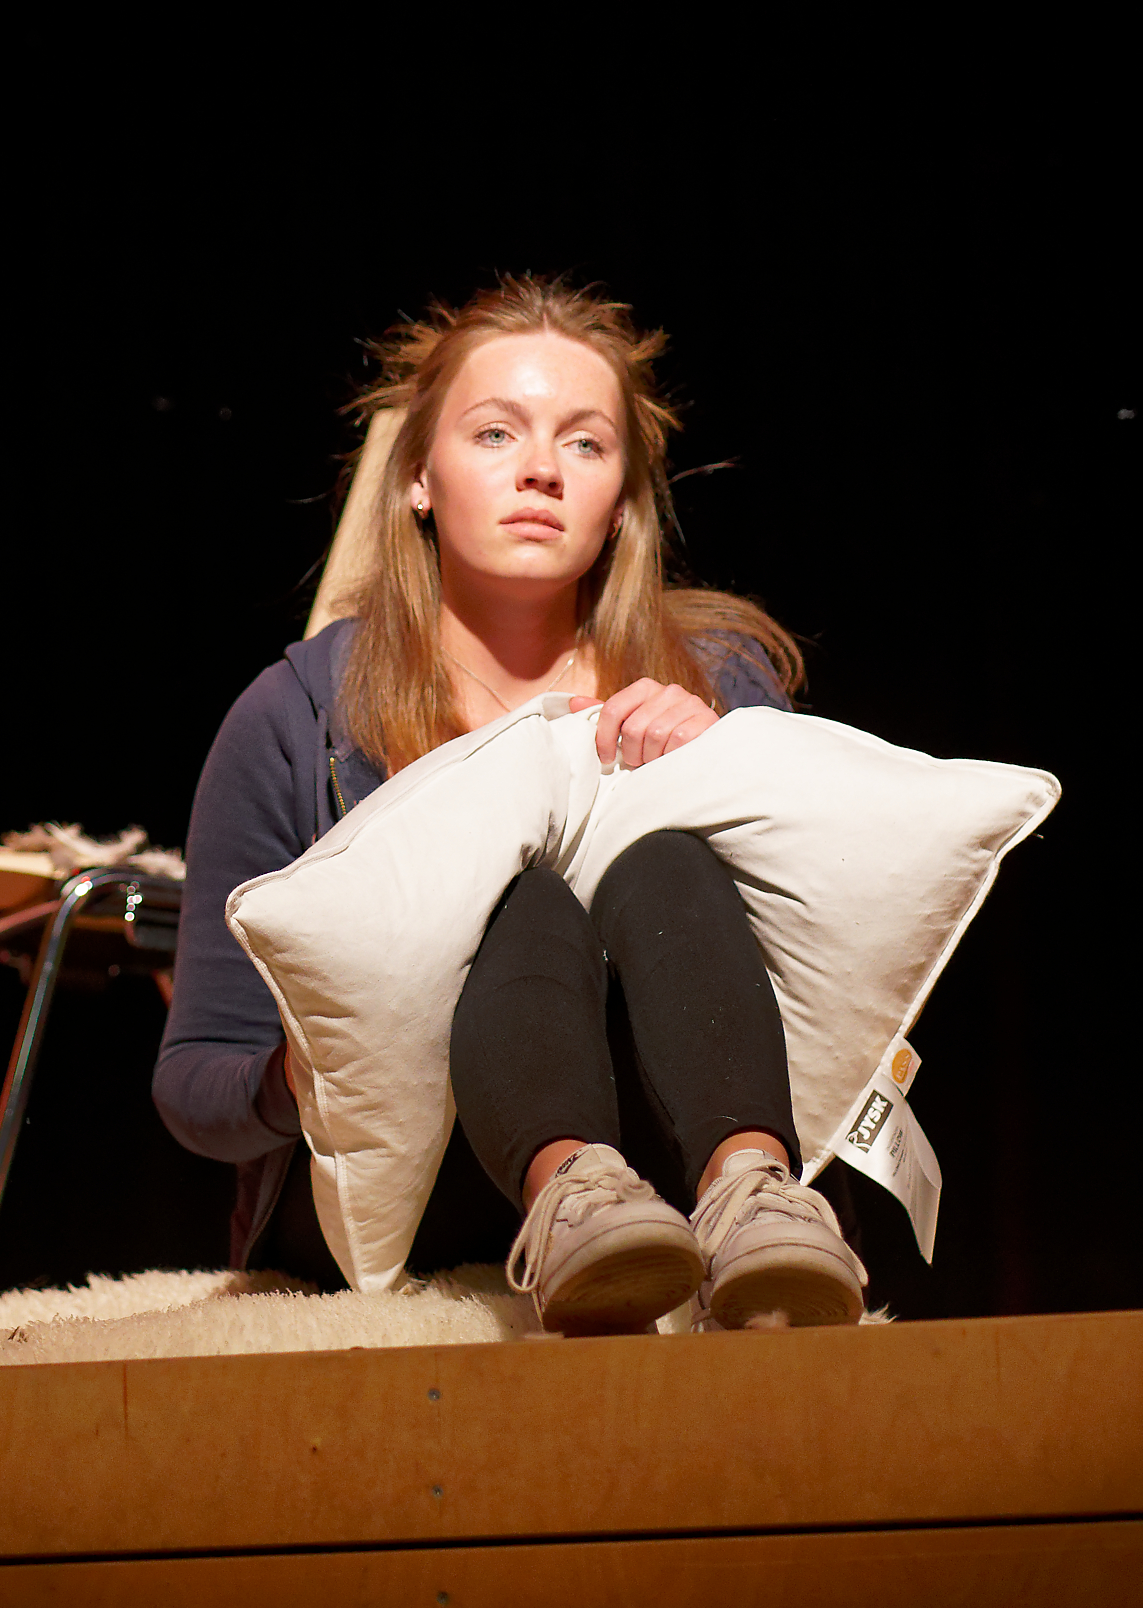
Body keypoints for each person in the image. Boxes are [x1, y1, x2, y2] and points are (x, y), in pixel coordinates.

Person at [154, 275, 868, 1334]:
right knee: (510, 889)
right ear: (417, 478)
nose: (540, 468)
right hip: (421, 1181)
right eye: (495, 432)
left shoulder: (715, 676)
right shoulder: (297, 714)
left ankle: (755, 1195)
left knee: (663, 861)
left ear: (620, 501)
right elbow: (193, 1086)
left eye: (584, 443)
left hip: (676, 1158)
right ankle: (570, 1199)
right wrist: (302, 1071)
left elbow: (843, 967)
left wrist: (729, 773)